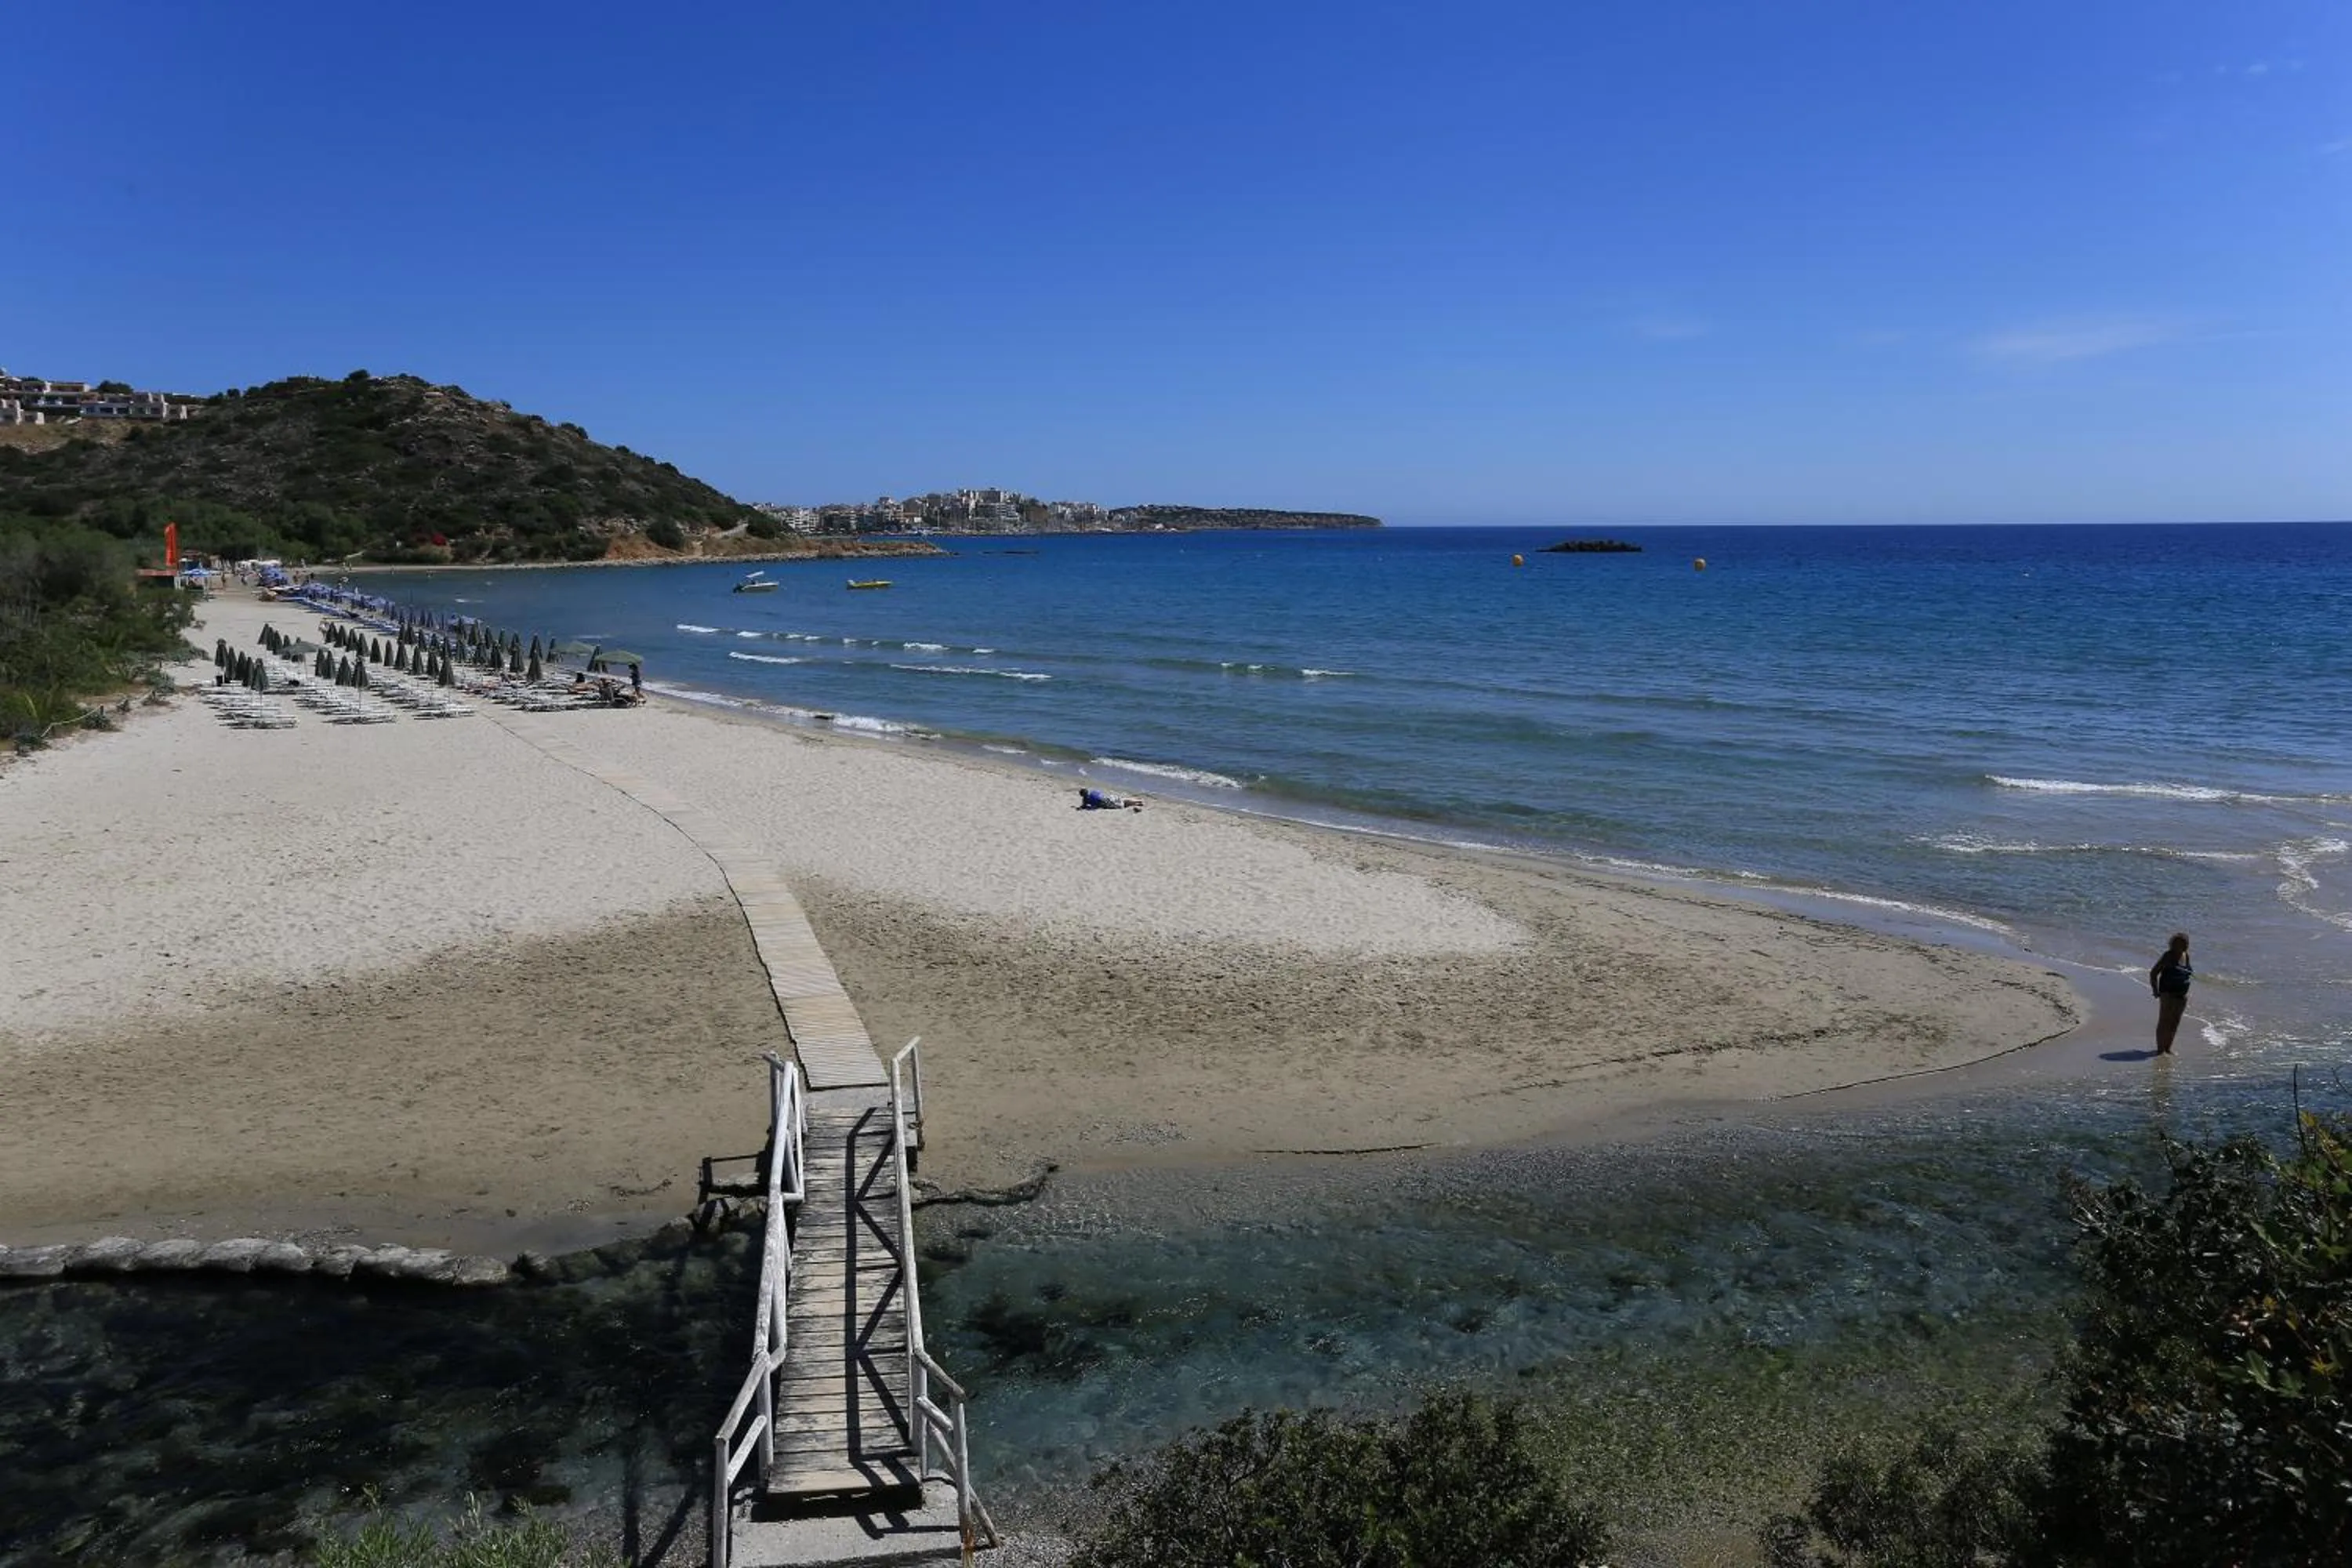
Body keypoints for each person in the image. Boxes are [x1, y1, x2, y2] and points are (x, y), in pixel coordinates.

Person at [2150, 932, 2192, 1055]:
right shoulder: (2168, 956)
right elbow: (2153, 973)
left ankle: (2168, 1048)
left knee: (2175, 1022)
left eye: (2185, 943)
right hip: (2167, 993)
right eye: (2179, 943)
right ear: (2172, 944)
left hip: (2182, 995)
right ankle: (2160, 1049)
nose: (2184, 945)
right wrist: (2155, 991)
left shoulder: (2186, 956)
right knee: (2164, 1021)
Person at [1078, 787, 1143, 811]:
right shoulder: (1094, 792)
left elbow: (1084, 806)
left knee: (1123, 804)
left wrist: (1080, 807)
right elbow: (1101, 795)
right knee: (1123, 800)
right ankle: (1138, 801)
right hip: (1110, 799)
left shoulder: (1086, 800)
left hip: (1110, 805)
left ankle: (1136, 805)